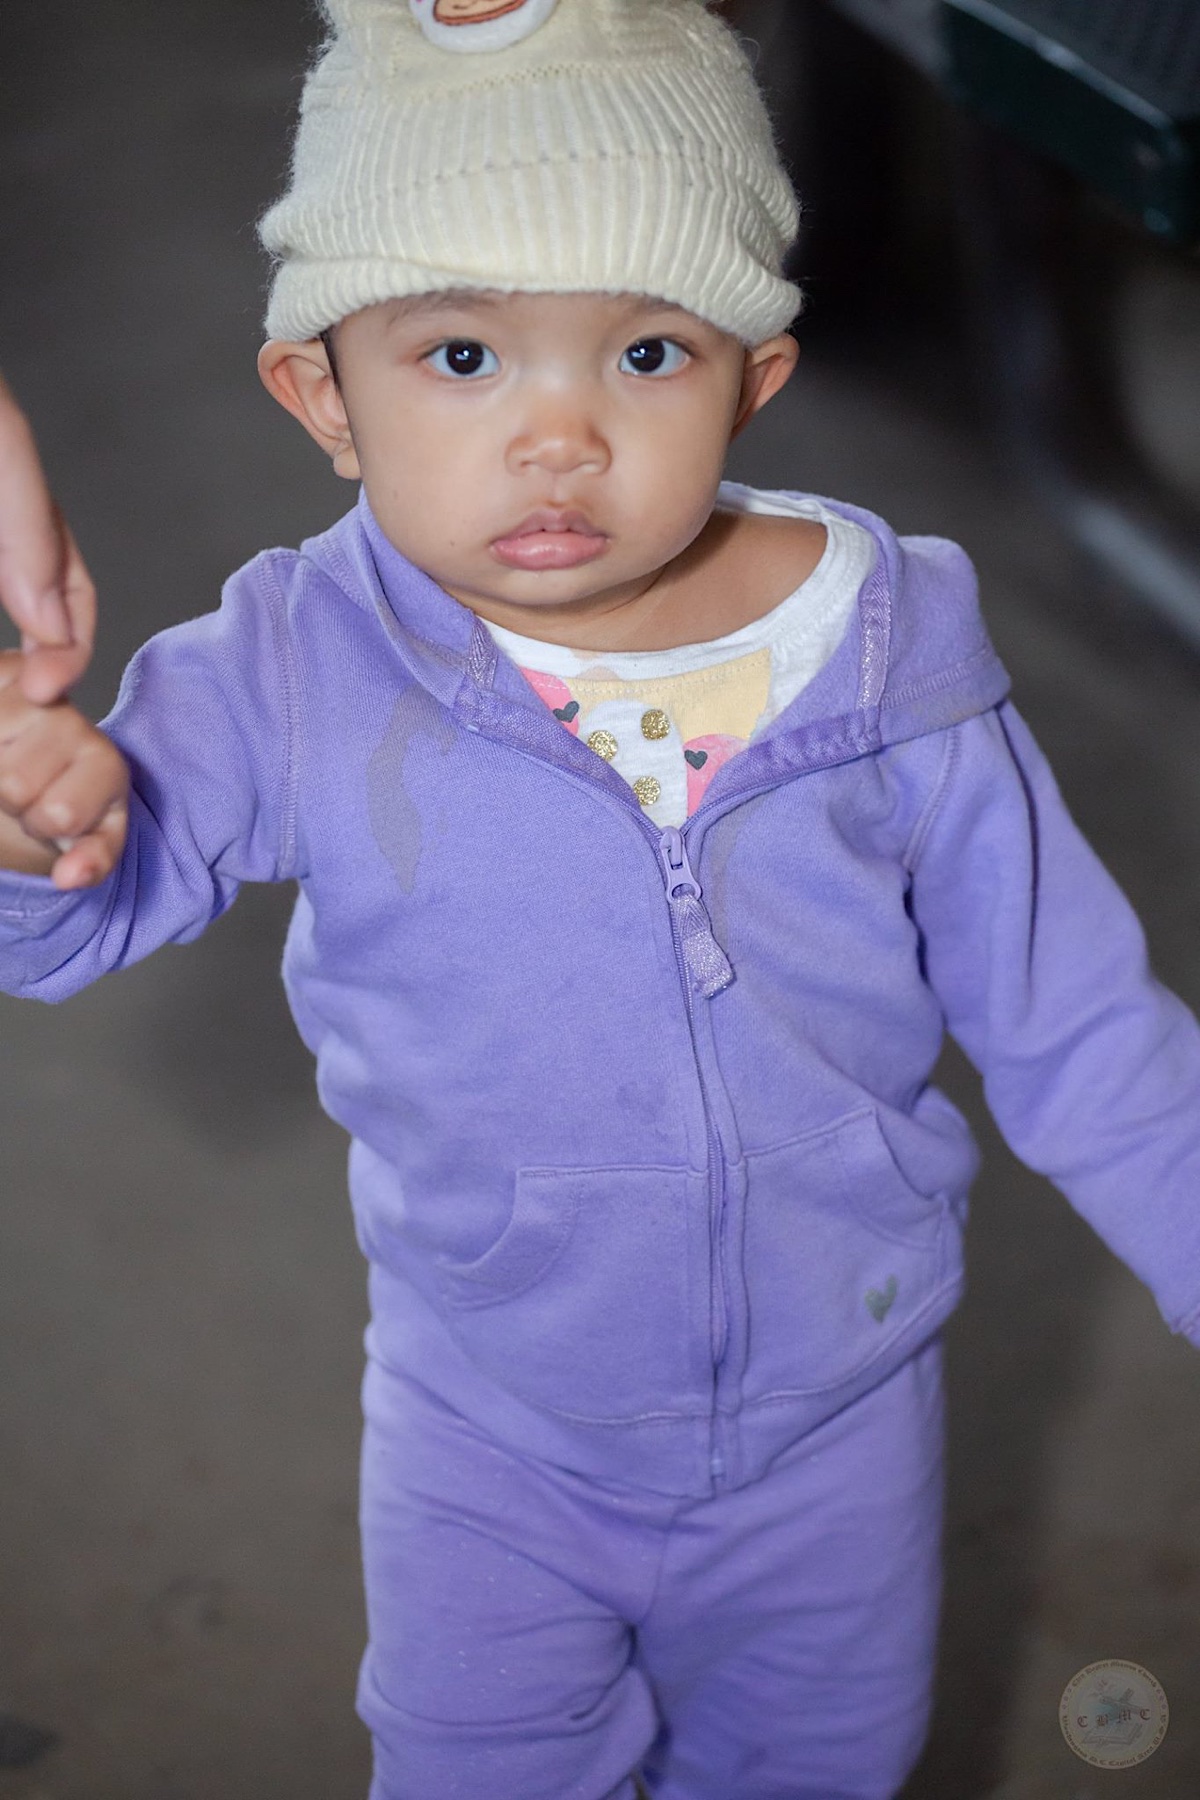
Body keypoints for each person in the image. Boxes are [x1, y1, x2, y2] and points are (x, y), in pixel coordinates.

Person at [1, 2, 1198, 1795]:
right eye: (462, 355)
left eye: (644, 352)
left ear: (753, 377)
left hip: (844, 1417)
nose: (558, 436)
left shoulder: (888, 652)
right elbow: (86, 919)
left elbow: (1080, 1020)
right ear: (322, 395)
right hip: (494, 1426)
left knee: (819, 1765)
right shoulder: (295, 668)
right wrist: (39, 838)